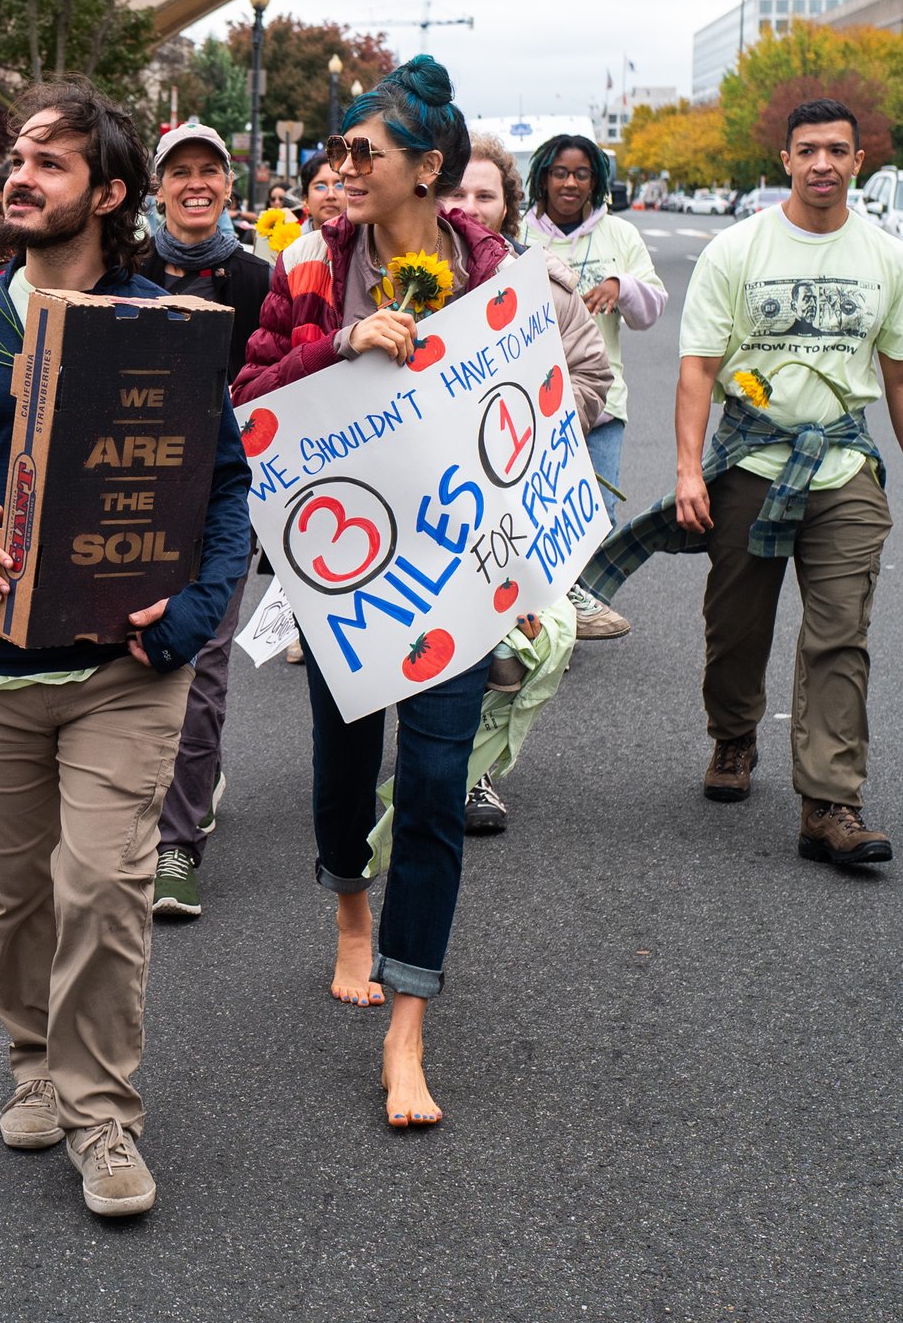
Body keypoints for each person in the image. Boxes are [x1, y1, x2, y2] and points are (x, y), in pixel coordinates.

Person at [0, 82, 250, 1218]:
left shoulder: (165, 328)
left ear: (109, 191)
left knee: (104, 888)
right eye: (14, 157)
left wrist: (188, 622)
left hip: (123, 676)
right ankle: (31, 1062)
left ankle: (103, 1119)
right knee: (24, 898)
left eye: (48, 161)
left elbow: (226, 492)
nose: (18, 177)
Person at [233, 55, 503, 1131]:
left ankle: (406, 1028)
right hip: (340, 570)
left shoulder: (496, 276)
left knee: (435, 789)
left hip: (454, 565)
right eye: (338, 152)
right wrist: (340, 346)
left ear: (427, 169)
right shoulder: (308, 267)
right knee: (347, 768)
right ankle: (349, 902)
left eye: (364, 154)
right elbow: (246, 397)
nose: (340, 170)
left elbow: (535, 412)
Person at [581, 97, 903, 871]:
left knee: (840, 635)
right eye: (807, 150)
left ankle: (829, 802)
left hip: (842, 461)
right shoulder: (737, 249)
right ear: (785, 162)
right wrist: (689, 470)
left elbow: (896, 376)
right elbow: (697, 370)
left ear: (858, 162)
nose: (822, 162)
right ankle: (733, 734)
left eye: (836, 150)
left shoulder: (887, 257)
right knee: (737, 629)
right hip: (750, 462)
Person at [432, 134, 612, 836]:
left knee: (488, 640)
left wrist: (535, 423)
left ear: (509, 206)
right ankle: (427, 762)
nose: (469, 206)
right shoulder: (401, 279)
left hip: (505, 498)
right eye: (457, 192)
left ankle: (469, 774)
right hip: (423, 500)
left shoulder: (544, 286)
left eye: (485, 194)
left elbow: (593, 377)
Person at [137, 124, 270, 919]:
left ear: (228, 185)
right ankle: (130, 812)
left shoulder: (257, 279)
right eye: (179, 172)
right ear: (157, 189)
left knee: (202, 671)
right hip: (134, 495)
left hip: (225, 499)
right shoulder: (127, 275)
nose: (195, 184)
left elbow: (284, 381)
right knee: (127, 654)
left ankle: (179, 846)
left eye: (208, 172)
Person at [521, 132, 665, 642]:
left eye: (582, 173)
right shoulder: (519, 235)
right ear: (542, 175)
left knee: (592, 514)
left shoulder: (620, 237)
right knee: (534, 512)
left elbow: (652, 310)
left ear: (596, 181)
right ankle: (541, 616)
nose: (570, 182)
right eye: (560, 172)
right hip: (528, 405)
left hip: (600, 403)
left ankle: (563, 609)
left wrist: (620, 287)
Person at [299, 156, 349, 228]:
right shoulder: (291, 238)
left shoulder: (367, 237)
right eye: (320, 187)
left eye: (339, 186)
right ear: (305, 199)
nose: (331, 195)